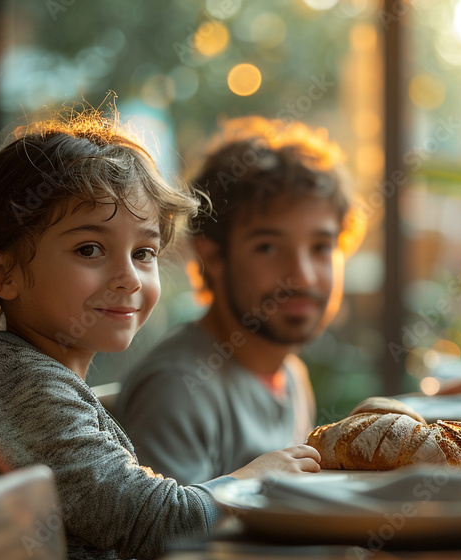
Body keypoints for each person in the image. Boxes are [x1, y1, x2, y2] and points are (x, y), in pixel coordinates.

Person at [0, 109, 320, 560]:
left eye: (143, 252)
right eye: (90, 249)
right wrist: (256, 480)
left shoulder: (40, 383)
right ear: (4, 274)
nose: (129, 278)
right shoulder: (27, 392)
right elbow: (160, 526)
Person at [118, 117, 351, 484]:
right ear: (212, 256)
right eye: (268, 247)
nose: (303, 276)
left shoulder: (290, 374)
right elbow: (169, 539)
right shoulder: (179, 388)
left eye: (321, 247)